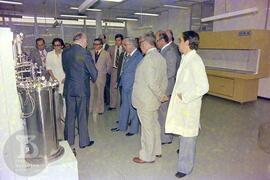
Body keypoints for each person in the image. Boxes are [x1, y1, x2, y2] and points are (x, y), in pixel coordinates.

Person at [165, 31, 209, 178]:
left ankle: (185, 168)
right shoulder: (186, 58)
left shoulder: (196, 61)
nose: (178, 43)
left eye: (180, 40)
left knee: (188, 137)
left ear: (188, 43)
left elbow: (204, 87)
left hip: (188, 106)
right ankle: (184, 163)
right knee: (184, 135)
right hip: (183, 106)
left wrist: (185, 97)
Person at [132, 32, 168, 163]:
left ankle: (147, 156)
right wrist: (161, 95)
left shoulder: (148, 59)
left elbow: (151, 82)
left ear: (146, 43)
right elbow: (164, 80)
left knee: (147, 129)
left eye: (141, 43)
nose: (140, 46)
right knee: (154, 126)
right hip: (153, 100)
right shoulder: (160, 57)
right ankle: (157, 150)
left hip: (145, 101)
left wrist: (160, 95)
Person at [62, 32, 98, 148]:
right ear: (81, 40)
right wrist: (92, 76)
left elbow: (67, 68)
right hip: (81, 88)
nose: (87, 43)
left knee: (70, 114)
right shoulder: (83, 53)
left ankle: (69, 140)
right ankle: (83, 142)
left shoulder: (65, 52)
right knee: (82, 115)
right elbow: (93, 71)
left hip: (69, 87)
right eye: (86, 40)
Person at [111, 37, 143, 136]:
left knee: (133, 108)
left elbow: (139, 73)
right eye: (123, 45)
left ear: (132, 45)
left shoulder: (138, 56)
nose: (124, 47)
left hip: (132, 86)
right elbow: (123, 70)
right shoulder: (128, 55)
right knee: (124, 106)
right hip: (124, 85)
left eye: (125, 45)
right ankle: (122, 126)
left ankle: (134, 129)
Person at [156, 30, 180, 145]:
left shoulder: (169, 52)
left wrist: (158, 81)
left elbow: (171, 72)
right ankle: (163, 136)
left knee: (164, 113)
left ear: (162, 40)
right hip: (162, 86)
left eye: (157, 40)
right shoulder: (162, 51)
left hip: (166, 87)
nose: (156, 43)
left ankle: (166, 138)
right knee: (162, 112)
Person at [46, 38, 65, 130]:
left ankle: (65, 117)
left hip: (64, 79)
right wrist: (53, 78)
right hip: (54, 79)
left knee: (65, 101)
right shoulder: (49, 54)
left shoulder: (65, 54)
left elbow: (69, 67)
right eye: (55, 45)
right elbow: (48, 67)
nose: (56, 47)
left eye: (58, 45)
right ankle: (56, 118)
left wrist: (66, 77)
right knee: (55, 100)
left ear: (62, 46)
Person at [89, 38, 111, 115]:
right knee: (90, 93)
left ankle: (100, 109)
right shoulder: (90, 52)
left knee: (100, 94)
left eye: (97, 44)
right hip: (91, 76)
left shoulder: (106, 53)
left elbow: (109, 65)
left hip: (101, 76)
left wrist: (106, 73)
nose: (95, 46)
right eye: (94, 44)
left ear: (101, 45)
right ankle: (90, 109)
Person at [108, 34, 124, 110]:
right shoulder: (111, 48)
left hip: (122, 70)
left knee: (122, 88)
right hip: (114, 69)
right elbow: (107, 59)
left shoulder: (125, 48)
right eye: (116, 40)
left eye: (119, 40)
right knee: (113, 88)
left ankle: (122, 105)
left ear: (122, 41)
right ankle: (112, 105)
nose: (117, 42)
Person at [99, 34, 111, 106]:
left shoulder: (109, 48)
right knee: (101, 87)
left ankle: (108, 101)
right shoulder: (97, 48)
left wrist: (108, 70)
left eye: (102, 38)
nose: (100, 40)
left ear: (105, 39)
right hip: (100, 71)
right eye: (99, 39)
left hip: (106, 70)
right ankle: (102, 100)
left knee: (107, 86)